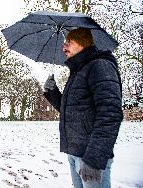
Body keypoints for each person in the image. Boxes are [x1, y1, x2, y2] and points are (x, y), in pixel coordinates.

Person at [43, 28, 123, 188]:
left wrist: (94, 159)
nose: (63, 48)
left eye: (69, 43)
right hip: (75, 152)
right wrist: (53, 93)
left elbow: (110, 114)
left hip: (91, 156)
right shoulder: (78, 71)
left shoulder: (100, 66)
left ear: (83, 43)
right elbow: (75, 112)